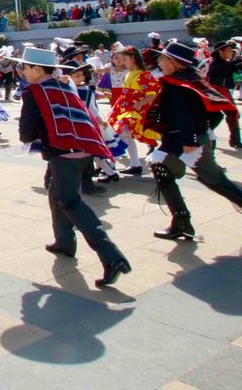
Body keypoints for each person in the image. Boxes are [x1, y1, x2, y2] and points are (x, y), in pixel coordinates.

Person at [16, 47, 131, 287]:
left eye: (25, 67)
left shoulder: (35, 92)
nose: (23, 71)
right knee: (54, 192)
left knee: (70, 202)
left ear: (37, 70)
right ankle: (64, 242)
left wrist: (33, 136)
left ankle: (112, 257)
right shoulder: (63, 86)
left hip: (63, 154)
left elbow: (26, 131)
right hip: (84, 151)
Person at [143, 42, 242, 241]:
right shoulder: (191, 79)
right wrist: (202, 130)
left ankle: (182, 223)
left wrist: (192, 138)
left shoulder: (177, 83)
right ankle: (181, 222)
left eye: (163, 58)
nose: (160, 62)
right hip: (180, 139)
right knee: (162, 170)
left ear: (175, 63)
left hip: (186, 142)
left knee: (214, 180)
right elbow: (216, 114)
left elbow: (184, 113)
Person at [108, 46, 160, 176]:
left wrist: (139, 104)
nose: (123, 62)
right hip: (125, 109)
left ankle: (109, 165)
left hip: (135, 112)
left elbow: (152, 95)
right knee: (125, 136)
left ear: (133, 58)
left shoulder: (144, 75)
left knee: (120, 134)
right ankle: (135, 165)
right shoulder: (129, 73)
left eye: (125, 59)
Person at [206, 41, 242, 149]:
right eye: (228, 50)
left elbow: (231, 66)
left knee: (231, 114)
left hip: (221, 91)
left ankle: (235, 140)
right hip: (216, 92)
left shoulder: (222, 62)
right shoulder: (216, 63)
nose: (230, 52)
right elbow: (229, 68)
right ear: (220, 52)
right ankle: (205, 134)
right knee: (220, 116)